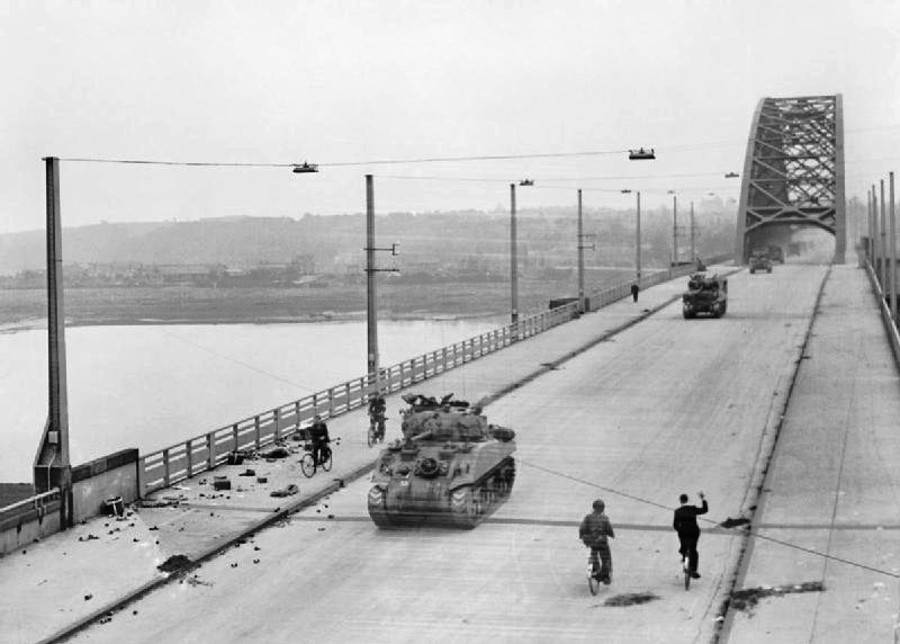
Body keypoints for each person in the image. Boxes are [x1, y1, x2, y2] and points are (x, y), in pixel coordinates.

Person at [579, 499, 615, 584]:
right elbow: (609, 529)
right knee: (606, 557)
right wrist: (611, 534)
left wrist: (582, 536)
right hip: (602, 542)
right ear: (602, 509)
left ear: (593, 507)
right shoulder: (604, 518)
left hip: (590, 541)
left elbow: (582, 528)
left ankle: (595, 568)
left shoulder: (588, 517)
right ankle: (605, 576)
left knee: (593, 552)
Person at [673, 491, 708, 579]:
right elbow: (705, 510)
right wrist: (703, 499)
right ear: (688, 500)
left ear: (680, 501)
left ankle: (684, 556)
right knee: (693, 550)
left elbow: (675, 525)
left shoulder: (678, 511)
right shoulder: (693, 509)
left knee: (683, 546)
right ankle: (693, 569)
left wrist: (680, 530)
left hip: (683, 532)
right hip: (693, 532)